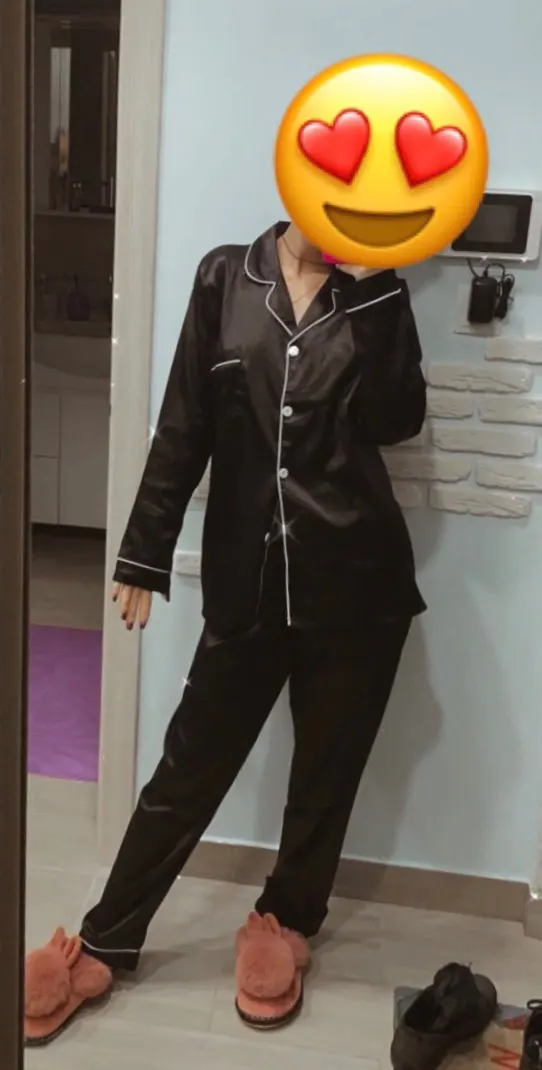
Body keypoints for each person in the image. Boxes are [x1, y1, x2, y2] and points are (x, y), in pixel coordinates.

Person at [24, 220, 426, 1046]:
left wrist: (378, 285)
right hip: (247, 584)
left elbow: (397, 419)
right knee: (187, 769)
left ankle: (287, 919)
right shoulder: (225, 278)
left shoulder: (376, 294)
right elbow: (185, 423)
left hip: (359, 588)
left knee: (325, 775)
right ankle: (106, 938)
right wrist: (144, 552)